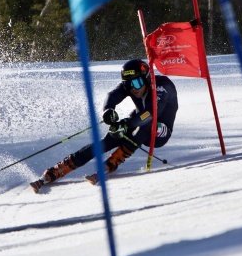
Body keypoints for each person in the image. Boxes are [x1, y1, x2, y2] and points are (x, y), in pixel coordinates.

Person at [31, 58, 179, 193]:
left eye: (137, 83)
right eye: (128, 84)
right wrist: (108, 111)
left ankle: (114, 160)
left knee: (146, 126)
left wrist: (127, 124)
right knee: (113, 136)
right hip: (140, 118)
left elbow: (151, 113)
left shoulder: (163, 86)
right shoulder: (131, 86)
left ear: (146, 78)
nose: (134, 88)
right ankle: (60, 168)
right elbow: (112, 96)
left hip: (160, 131)